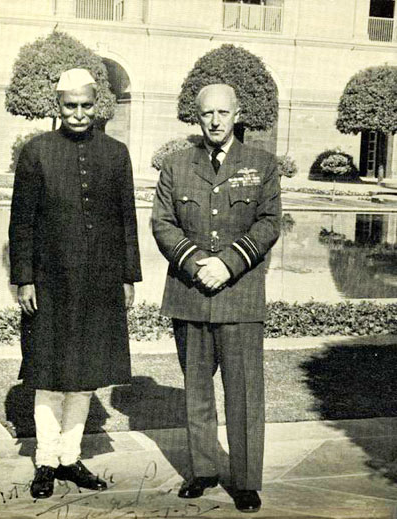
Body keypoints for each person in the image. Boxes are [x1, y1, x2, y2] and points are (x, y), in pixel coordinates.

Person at [9, 68, 142, 499]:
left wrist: (128, 276)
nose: (79, 114)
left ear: (96, 103)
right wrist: (24, 279)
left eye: (86, 105)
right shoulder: (36, 152)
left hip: (101, 281)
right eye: (71, 106)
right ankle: (45, 460)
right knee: (49, 374)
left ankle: (70, 457)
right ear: (58, 106)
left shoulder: (116, 153)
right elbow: (21, 223)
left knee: (85, 375)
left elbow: (127, 220)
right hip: (50, 282)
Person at [151, 84, 281, 513]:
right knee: (197, 393)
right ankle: (204, 470)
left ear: (237, 113)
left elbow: (267, 224)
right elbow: (163, 224)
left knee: (244, 394)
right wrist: (195, 264)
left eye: (224, 112)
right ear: (197, 115)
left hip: (239, 296)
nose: (216, 120)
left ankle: (245, 480)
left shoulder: (261, 165)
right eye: (208, 113)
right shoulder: (175, 165)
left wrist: (227, 264)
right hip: (189, 296)